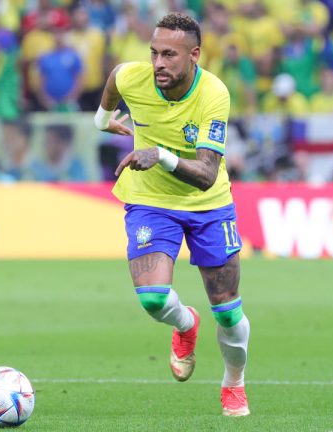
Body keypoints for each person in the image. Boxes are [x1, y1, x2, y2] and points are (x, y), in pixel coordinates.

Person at [93, 12, 250, 417]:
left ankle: (234, 382)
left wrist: (158, 155)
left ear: (194, 55)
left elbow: (206, 175)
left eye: (169, 55)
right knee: (152, 299)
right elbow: (114, 78)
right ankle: (185, 324)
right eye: (154, 53)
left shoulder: (214, 94)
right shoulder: (135, 78)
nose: (158, 63)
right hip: (150, 200)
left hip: (208, 205)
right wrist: (101, 118)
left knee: (228, 311)